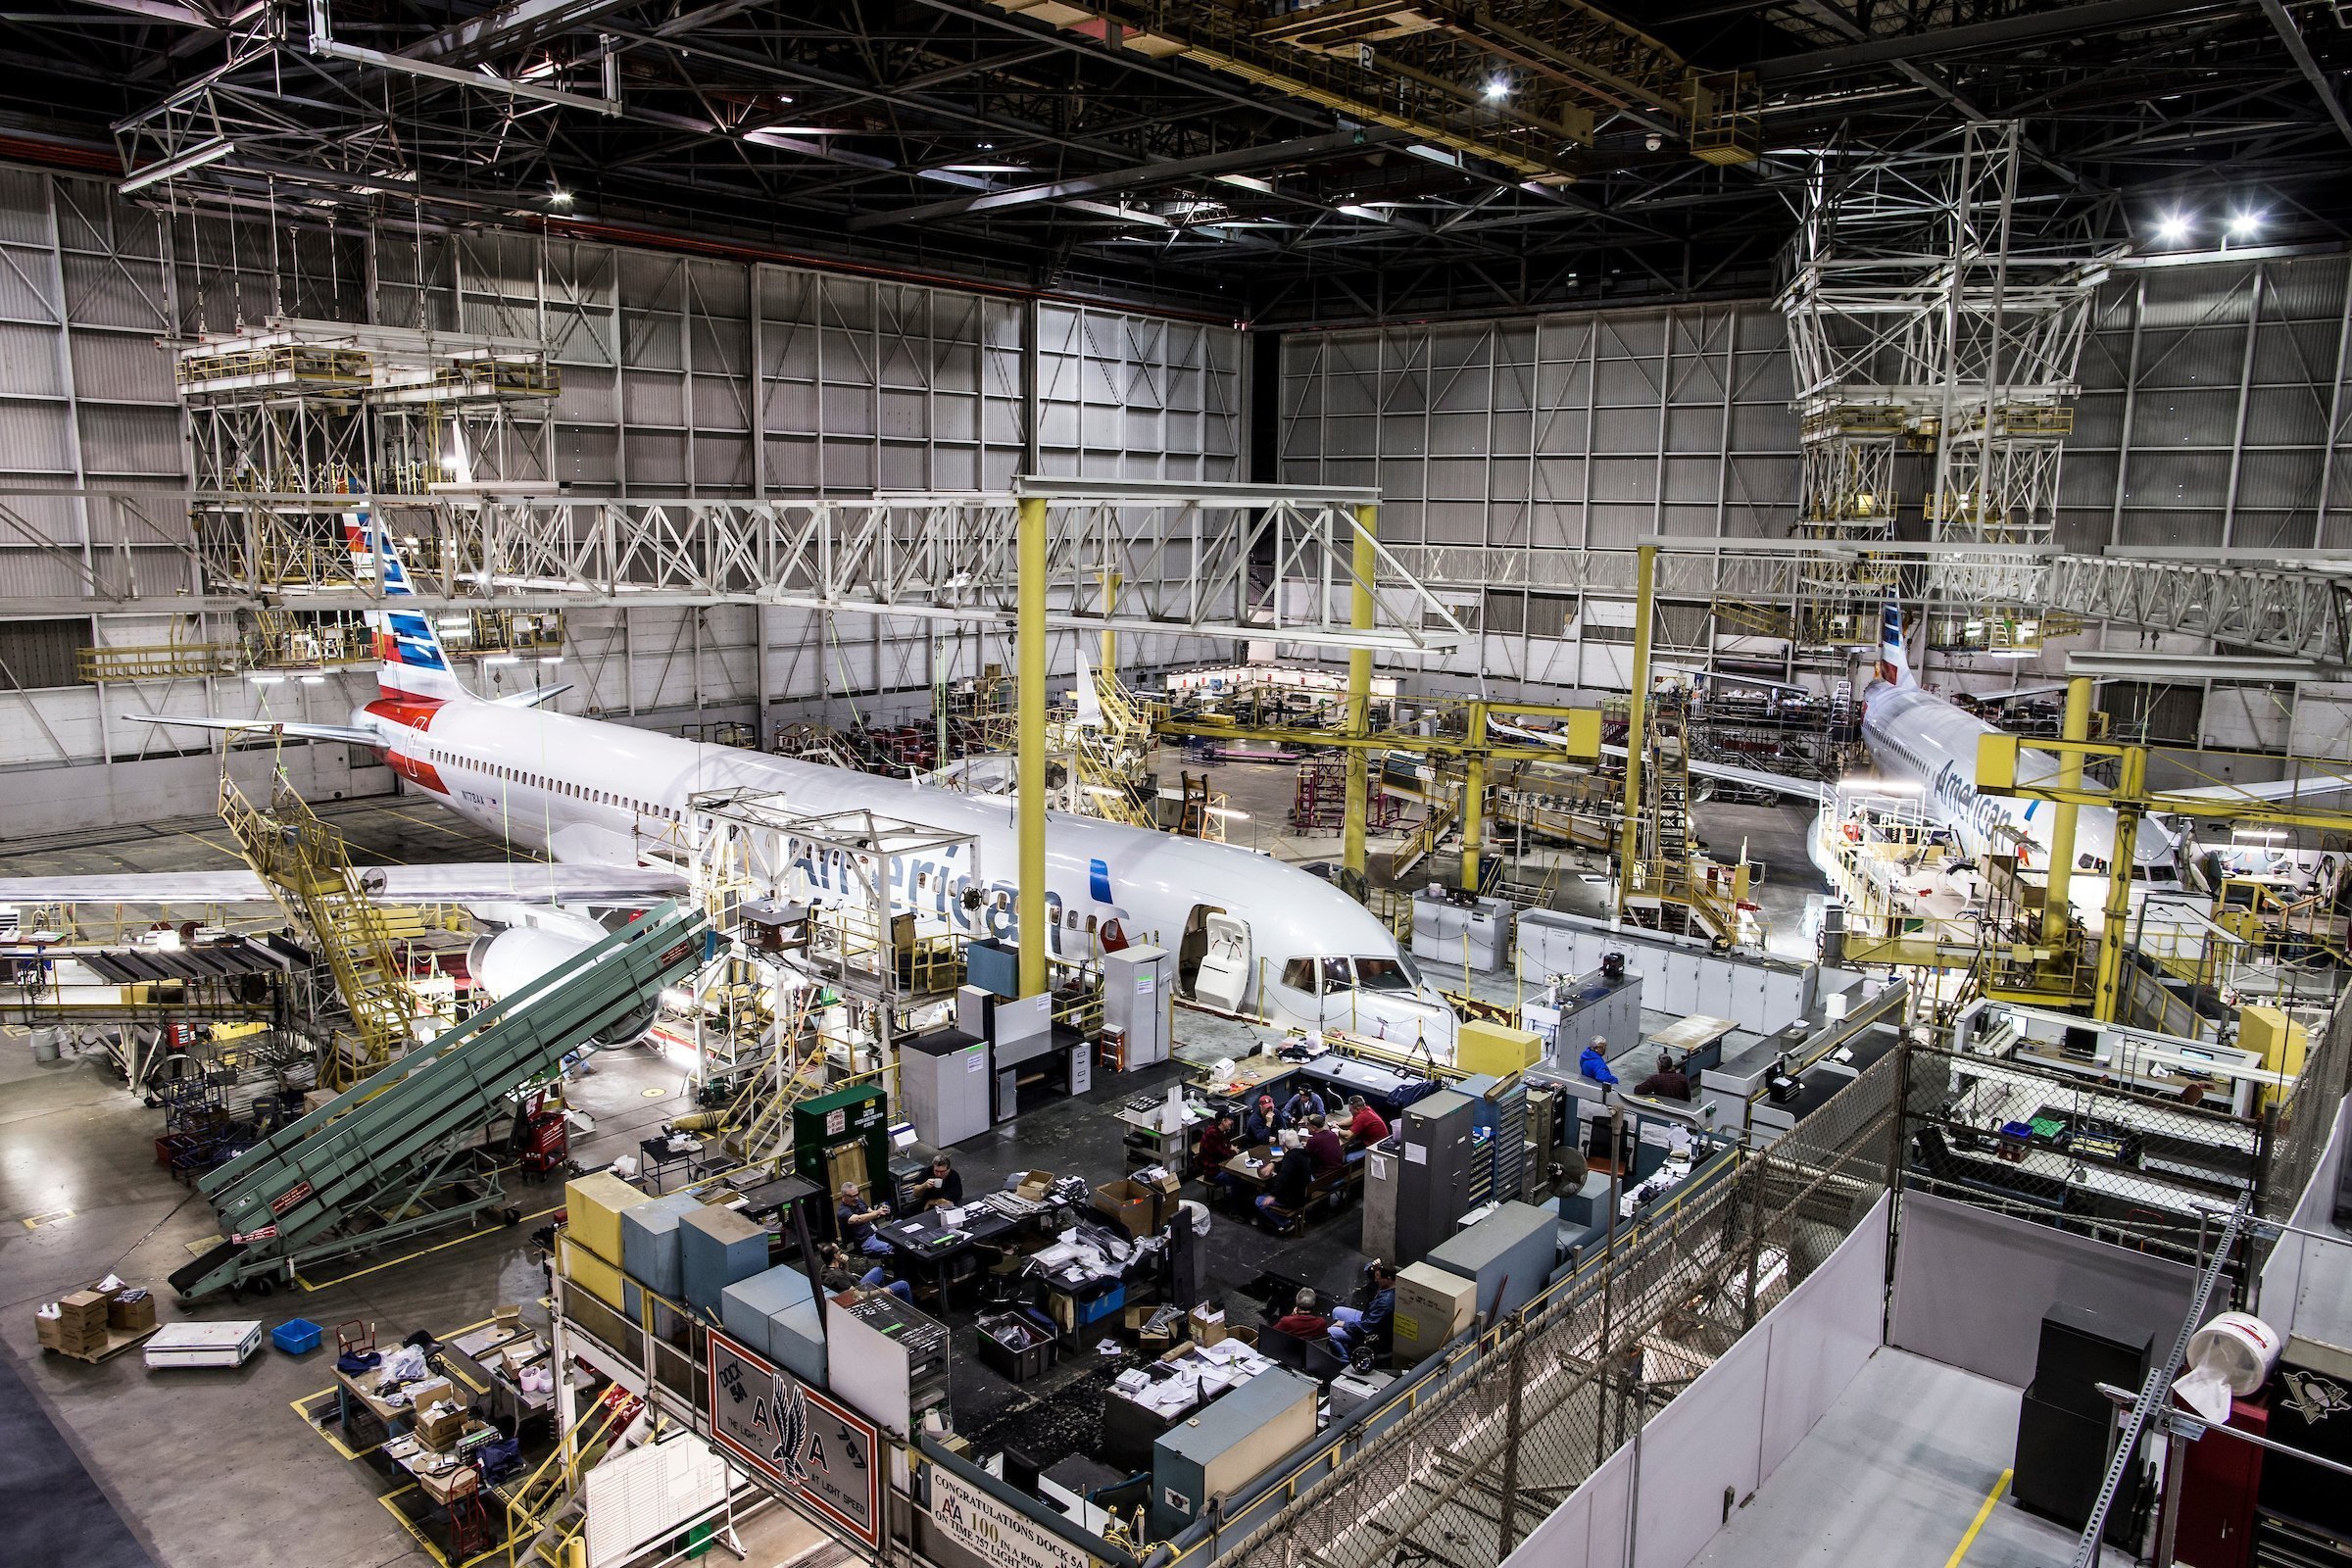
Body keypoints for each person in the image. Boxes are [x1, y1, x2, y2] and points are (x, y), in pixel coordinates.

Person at [1329, 1262, 1396, 1356]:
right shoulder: (1385, 1285)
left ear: (1388, 1279)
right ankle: (1347, 1344)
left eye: (1378, 1277)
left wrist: (1345, 1325)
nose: (1376, 1279)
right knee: (1337, 1311)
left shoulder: (1386, 1302)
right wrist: (1373, 1267)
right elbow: (1367, 1269)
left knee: (1330, 1332)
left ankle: (1344, 1361)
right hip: (1365, 1317)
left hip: (1368, 1332)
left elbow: (1366, 1327)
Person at [819, 1242, 911, 1302]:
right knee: (903, 1284)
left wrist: (845, 1264)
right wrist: (880, 1291)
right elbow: (857, 1295)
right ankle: (911, 1315)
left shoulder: (825, 1268)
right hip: (860, 1296)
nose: (841, 1252)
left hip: (857, 1287)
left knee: (877, 1271)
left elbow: (846, 1279)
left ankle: (884, 1300)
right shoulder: (837, 1276)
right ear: (835, 1256)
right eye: (839, 1251)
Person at [1256, 1130, 1314, 1225]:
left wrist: (1273, 1195)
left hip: (1294, 1199)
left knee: (1259, 1201)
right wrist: (1273, 1164)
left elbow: (1283, 1177)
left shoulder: (1290, 1157)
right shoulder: (1304, 1152)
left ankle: (1285, 1223)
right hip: (1304, 1193)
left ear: (1285, 1144)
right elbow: (1287, 1166)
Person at [836, 1181, 893, 1257]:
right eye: (853, 1196)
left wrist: (882, 1210)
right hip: (865, 1242)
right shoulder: (842, 1211)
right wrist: (877, 1213)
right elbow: (857, 1219)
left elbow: (872, 1213)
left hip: (877, 1233)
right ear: (844, 1196)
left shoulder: (858, 1200)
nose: (856, 1198)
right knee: (893, 1247)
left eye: (857, 1194)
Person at [1198, 1113, 1244, 1205]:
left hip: (1221, 1165)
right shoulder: (1212, 1134)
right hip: (1213, 1171)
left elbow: (1227, 1146)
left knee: (1241, 1177)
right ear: (1223, 1120)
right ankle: (1234, 1209)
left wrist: (1230, 1148)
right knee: (1238, 1181)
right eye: (1229, 1120)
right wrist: (1234, 1151)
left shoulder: (1222, 1131)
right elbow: (1224, 1153)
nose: (1232, 1122)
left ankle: (1238, 1200)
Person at [1303, 1113, 1345, 1177]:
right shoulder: (1332, 1134)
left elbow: (1306, 1157)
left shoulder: (1312, 1141)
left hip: (1323, 1177)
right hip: (1339, 1172)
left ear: (1314, 1128)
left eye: (1308, 1125)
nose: (1307, 1127)